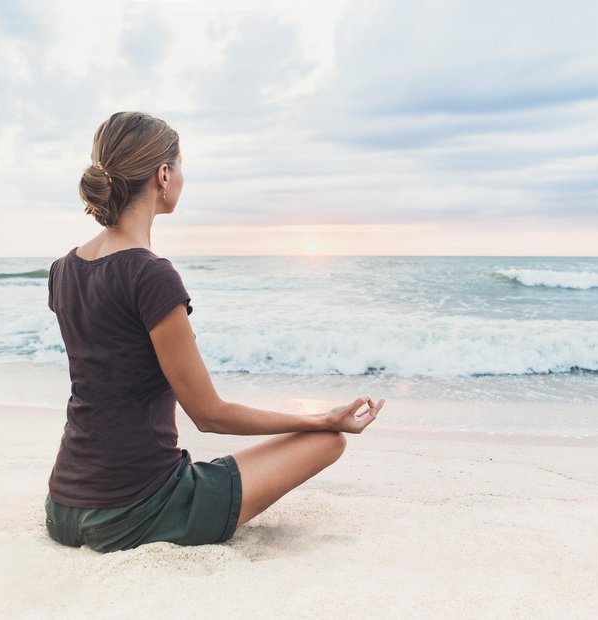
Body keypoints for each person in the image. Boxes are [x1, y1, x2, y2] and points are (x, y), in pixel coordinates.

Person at [44, 111, 384, 552]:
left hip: (64, 506)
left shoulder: (63, 269)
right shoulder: (150, 275)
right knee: (327, 442)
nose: (181, 176)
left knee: (210, 465)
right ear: (162, 175)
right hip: (133, 510)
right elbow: (209, 415)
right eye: (179, 165)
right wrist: (320, 418)